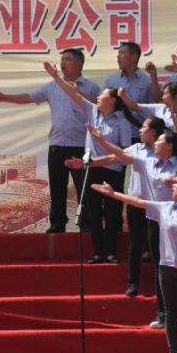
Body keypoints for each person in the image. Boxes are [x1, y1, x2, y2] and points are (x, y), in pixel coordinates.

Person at [92, 179, 177, 353]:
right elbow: (137, 202)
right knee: (170, 312)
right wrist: (113, 193)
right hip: (167, 267)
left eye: (176, 184)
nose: (172, 186)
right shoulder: (164, 208)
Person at [87, 121, 177, 328]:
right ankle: (162, 312)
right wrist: (100, 140)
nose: (155, 144)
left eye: (160, 141)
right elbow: (120, 155)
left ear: (169, 146)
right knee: (159, 266)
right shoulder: (148, 163)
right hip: (154, 220)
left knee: (176, 266)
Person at [0, 49, 100, 233]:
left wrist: (79, 93)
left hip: (81, 146)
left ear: (79, 63)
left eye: (68, 59)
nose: (63, 62)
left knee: (83, 189)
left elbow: (100, 105)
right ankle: (57, 224)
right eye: (62, 59)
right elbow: (30, 97)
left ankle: (86, 225)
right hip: (57, 146)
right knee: (57, 188)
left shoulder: (91, 87)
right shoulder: (52, 87)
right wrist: (5, 97)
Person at [43, 62, 134, 264]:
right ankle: (97, 252)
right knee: (93, 212)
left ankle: (111, 252)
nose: (98, 96)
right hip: (91, 171)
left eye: (102, 95)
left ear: (112, 101)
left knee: (112, 213)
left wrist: (95, 160)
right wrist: (56, 77)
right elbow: (73, 94)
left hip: (112, 171)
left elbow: (124, 154)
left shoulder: (122, 121)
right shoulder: (92, 111)